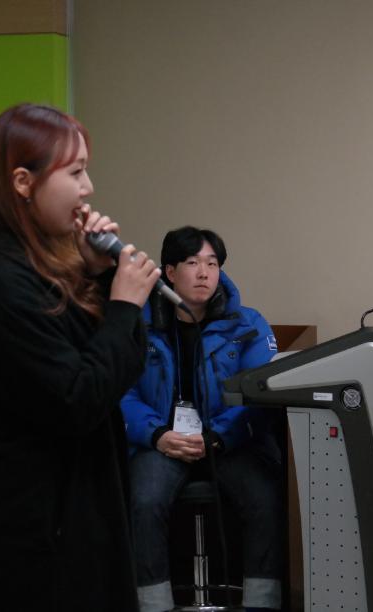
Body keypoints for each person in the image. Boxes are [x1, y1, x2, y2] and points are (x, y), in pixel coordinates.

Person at [0, 103, 162, 611]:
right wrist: (123, 305)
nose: (88, 188)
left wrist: (97, 275)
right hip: (34, 528)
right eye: (75, 172)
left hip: (74, 508)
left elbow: (118, 365)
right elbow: (77, 398)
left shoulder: (40, 266)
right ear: (23, 181)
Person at [121, 226, 285, 612]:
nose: (204, 273)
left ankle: (261, 604)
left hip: (229, 443)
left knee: (264, 499)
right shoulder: (137, 325)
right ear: (170, 272)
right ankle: (153, 605)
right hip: (161, 442)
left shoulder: (248, 325)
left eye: (212, 264)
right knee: (144, 501)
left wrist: (219, 436)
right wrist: (157, 434)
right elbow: (122, 393)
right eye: (193, 263)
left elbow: (258, 394)